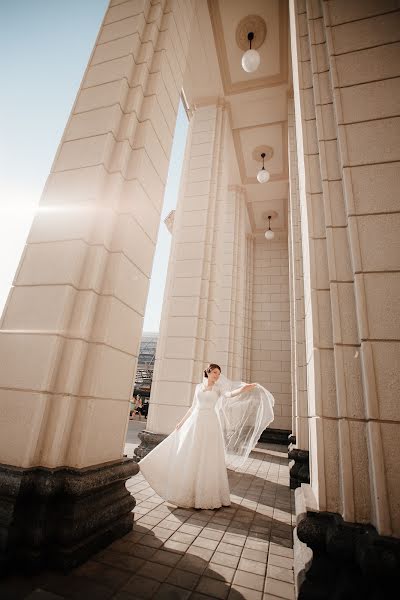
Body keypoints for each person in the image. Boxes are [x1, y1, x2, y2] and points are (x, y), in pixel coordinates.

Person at [139, 363, 274, 510]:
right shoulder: (198, 387)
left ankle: (205, 495)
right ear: (208, 372)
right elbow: (193, 407)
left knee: (206, 456)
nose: (217, 375)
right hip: (195, 422)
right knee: (190, 453)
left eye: (218, 373)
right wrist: (181, 422)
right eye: (214, 372)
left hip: (210, 423)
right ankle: (186, 490)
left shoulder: (219, 389)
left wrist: (244, 388)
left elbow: (230, 395)